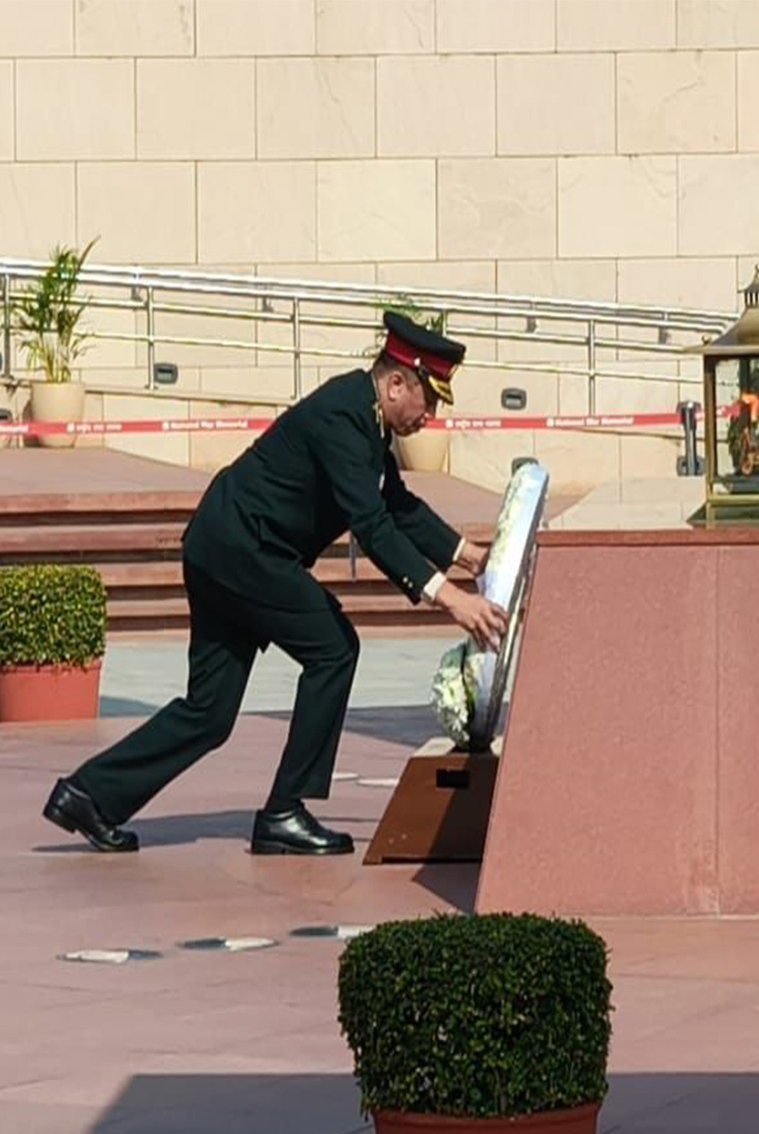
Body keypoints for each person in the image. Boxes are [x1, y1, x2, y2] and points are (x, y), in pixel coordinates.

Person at [44, 312, 509, 856]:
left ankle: (88, 795)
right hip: (245, 551)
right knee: (334, 648)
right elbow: (371, 523)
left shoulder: (364, 419)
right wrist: (449, 596)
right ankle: (285, 811)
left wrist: (467, 556)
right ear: (397, 382)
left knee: (209, 713)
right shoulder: (344, 415)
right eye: (427, 401)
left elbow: (395, 504)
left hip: (225, 548)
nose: (429, 416)